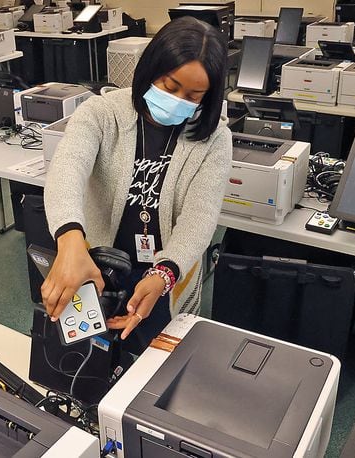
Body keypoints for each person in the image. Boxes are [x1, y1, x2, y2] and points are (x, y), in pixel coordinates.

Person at [41, 16, 232, 353]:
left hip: (166, 280)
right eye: (170, 86)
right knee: (89, 362)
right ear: (150, 68)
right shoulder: (100, 114)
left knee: (159, 372)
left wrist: (164, 275)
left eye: (194, 96)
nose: (178, 100)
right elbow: (67, 170)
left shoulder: (215, 140)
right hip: (97, 272)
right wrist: (70, 241)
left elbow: (199, 219)